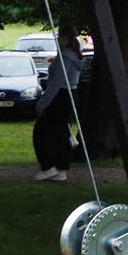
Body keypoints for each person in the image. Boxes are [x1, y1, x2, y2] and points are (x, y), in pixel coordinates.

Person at [33, 25, 85, 184]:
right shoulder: (74, 55)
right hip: (70, 95)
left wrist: (42, 103)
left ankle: (49, 166)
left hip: (61, 96)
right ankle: (60, 170)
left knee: (41, 132)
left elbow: (57, 82)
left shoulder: (65, 58)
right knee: (61, 133)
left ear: (63, 37)